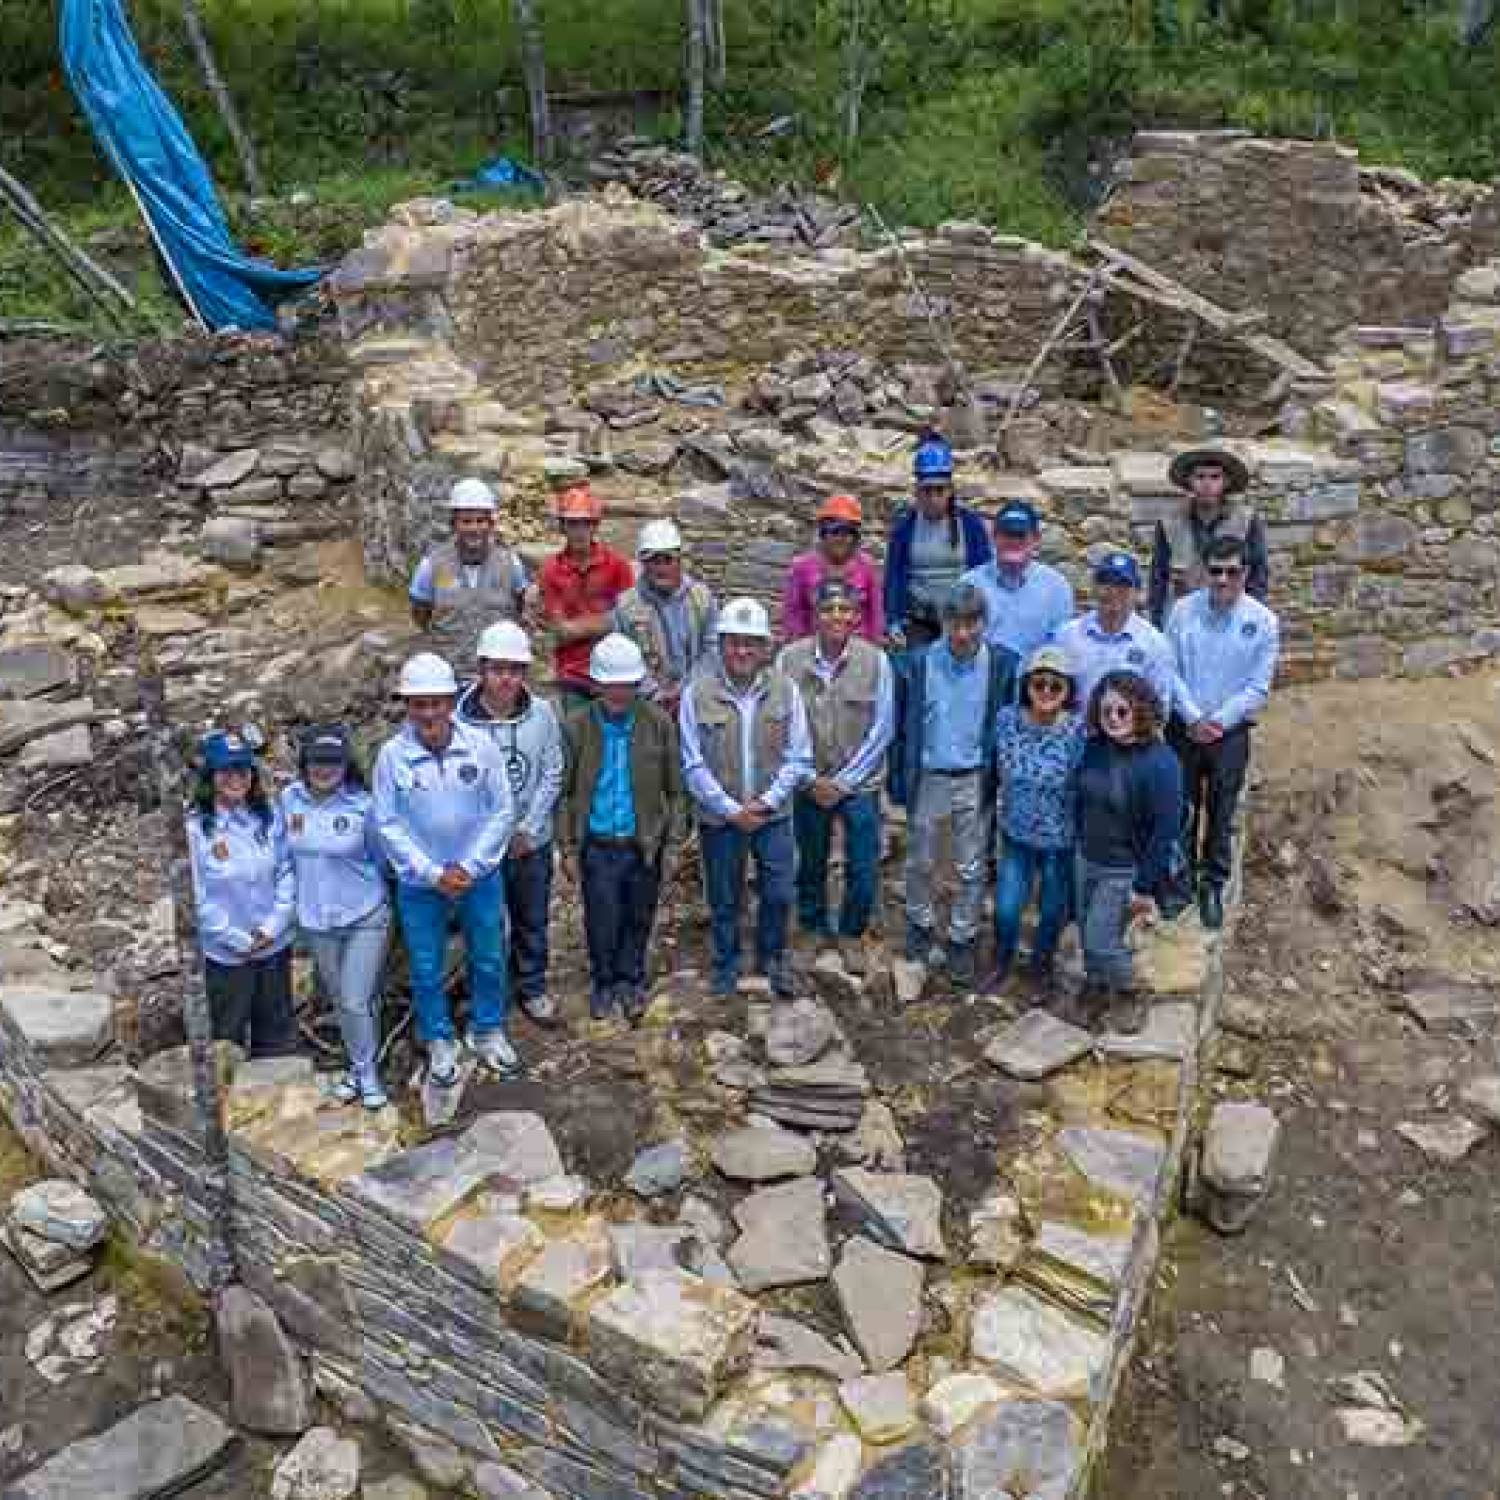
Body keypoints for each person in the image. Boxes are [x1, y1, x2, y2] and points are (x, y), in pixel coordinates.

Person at [372, 652, 520, 1085]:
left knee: (490, 955)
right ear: (407, 706)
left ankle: (487, 1029)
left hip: (480, 876)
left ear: (452, 700)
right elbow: (387, 823)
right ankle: (438, 1037)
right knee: (425, 964)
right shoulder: (391, 757)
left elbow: (502, 810)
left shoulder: (480, 747)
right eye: (419, 704)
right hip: (421, 882)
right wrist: (432, 872)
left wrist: (470, 866)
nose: (429, 712)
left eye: (437, 702)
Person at [680, 596, 814, 998]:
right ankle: (726, 964)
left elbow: (799, 755)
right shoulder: (696, 694)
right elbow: (692, 763)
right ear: (720, 644)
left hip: (772, 815)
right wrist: (730, 809)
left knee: (779, 891)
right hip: (721, 819)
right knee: (724, 897)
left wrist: (768, 801)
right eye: (733, 642)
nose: (742, 651)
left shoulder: (785, 691)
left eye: (750, 643)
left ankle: (771, 958)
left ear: (764, 648)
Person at [889, 582, 1019, 989]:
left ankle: (962, 936)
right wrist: (897, 780)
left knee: (970, 864)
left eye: (971, 623)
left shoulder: (1003, 665)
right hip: (929, 774)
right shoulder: (915, 664)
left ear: (984, 623)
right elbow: (898, 728)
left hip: (974, 777)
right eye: (955, 623)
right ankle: (920, 923)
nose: (962, 633)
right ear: (943, 623)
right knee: (920, 860)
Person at [560, 633, 684, 1023]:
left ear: (637, 684)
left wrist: (674, 840)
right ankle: (603, 981)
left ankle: (631, 980)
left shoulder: (658, 724)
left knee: (639, 914)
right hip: (597, 843)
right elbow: (563, 792)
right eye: (610, 685)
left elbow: (676, 789)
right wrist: (567, 847)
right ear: (596, 684)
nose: (618, 693)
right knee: (602, 916)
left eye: (626, 685)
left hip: (643, 842)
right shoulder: (577, 726)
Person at [778, 579, 896, 975]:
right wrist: (810, 778)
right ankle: (812, 927)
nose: (836, 617)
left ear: (857, 617)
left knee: (863, 866)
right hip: (809, 781)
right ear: (815, 614)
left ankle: (851, 931)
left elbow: (882, 728)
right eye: (829, 609)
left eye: (845, 610)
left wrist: (845, 782)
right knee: (810, 860)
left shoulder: (875, 661)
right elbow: (784, 724)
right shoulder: (789, 660)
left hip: (859, 783)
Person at [1166, 535, 1281, 930]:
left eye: (1232, 572)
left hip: (1229, 733)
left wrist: (1219, 722)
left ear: (1245, 574)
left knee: (1221, 811)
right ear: (1204, 571)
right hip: (1184, 728)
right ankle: (1178, 883)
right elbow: (1169, 672)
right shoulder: (1181, 612)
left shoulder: (1263, 622)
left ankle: (1212, 885)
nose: (1222, 580)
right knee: (1182, 809)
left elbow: (1258, 687)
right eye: (1215, 571)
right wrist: (1194, 718)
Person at [457, 620, 564, 1025]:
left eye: (515, 670)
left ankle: (532, 985)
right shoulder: (460, 721)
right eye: (498, 669)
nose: (506, 678)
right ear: (482, 669)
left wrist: (530, 827)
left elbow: (552, 770)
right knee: (483, 923)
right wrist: (487, 837)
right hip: (479, 844)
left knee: (531, 916)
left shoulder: (542, 715)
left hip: (529, 841)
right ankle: (487, 991)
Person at [281, 725, 391, 1109]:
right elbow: (282, 859)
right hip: (315, 921)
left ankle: (365, 1074)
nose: (324, 769)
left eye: (333, 762)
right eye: (316, 762)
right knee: (347, 1002)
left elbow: (382, 858)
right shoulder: (289, 800)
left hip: (364, 915)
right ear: (304, 763)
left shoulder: (363, 805)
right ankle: (362, 1061)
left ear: (346, 765)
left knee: (354, 998)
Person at [1074, 671, 1183, 1034]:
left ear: (1140, 710)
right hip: (1085, 857)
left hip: (1121, 869)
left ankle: (1131, 989)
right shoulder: (1094, 747)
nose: (1114, 719)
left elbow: (1166, 830)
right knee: (1087, 937)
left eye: (1123, 711)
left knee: (1100, 938)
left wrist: (1144, 886)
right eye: (1106, 712)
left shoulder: (1160, 762)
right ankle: (1097, 985)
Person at [187, 729, 296, 1058]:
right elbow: (195, 894)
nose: (236, 778)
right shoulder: (195, 829)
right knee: (226, 1037)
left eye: (242, 769)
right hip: (226, 953)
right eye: (226, 770)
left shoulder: (269, 816)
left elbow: (287, 872)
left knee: (276, 1034)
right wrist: (236, 939)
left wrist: (271, 928)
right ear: (211, 775)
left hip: (273, 945)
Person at [992, 647, 1086, 998]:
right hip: (1016, 834)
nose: (1045, 691)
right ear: (1026, 685)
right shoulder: (1006, 720)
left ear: (1067, 690)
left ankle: (1040, 969)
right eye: (1038, 683)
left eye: (1055, 685)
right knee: (1006, 908)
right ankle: (1001, 962)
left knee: (1051, 913)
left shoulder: (1078, 731)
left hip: (1060, 839)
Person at [884, 433, 993, 652]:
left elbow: (985, 574)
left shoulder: (970, 526)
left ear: (950, 490)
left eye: (939, 490)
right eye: (927, 490)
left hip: (961, 621)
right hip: (919, 622)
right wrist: (893, 620)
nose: (933, 498)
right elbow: (894, 576)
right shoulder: (905, 528)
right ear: (917, 490)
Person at [536, 481, 634, 709]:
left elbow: (630, 619)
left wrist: (579, 627)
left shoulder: (617, 565)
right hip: (573, 676)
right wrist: (608, 621)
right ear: (563, 527)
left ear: (595, 526)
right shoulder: (551, 570)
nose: (579, 531)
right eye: (572, 524)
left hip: (614, 672)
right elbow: (562, 632)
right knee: (577, 740)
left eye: (585, 524)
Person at [1148, 447, 1268, 627]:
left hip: (1232, 617)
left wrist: (1250, 618)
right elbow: (1158, 578)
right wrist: (1157, 623)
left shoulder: (1246, 520)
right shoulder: (1169, 523)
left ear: (1226, 481)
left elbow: (1258, 574)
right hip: (1184, 619)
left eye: (1215, 477)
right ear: (1189, 481)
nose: (1207, 484)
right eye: (1200, 477)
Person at [409, 478, 529, 657]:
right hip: (448, 673)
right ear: (453, 524)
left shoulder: (511, 565)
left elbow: (521, 606)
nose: (474, 528)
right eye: (466, 521)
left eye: (481, 521)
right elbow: (420, 613)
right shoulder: (431, 566)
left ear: (491, 524)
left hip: (497, 674)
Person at [613, 520, 718, 716]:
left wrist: (685, 690)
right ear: (643, 563)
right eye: (654, 561)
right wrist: (654, 692)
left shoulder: (702, 598)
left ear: (679, 560)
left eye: (667, 559)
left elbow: (712, 650)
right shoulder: (626, 606)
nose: (661, 567)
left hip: (697, 702)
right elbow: (622, 655)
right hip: (646, 706)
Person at [1055, 552, 1179, 714]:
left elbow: (1160, 706)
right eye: (1105, 582)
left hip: (1127, 737)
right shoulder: (1066, 636)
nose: (1113, 591)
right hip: (1074, 736)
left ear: (1138, 592)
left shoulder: (1155, 644)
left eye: (1123, 585)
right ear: (1093, 587)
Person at [959, 499, 1075, 663]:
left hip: (1034, 683)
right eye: (1007, 534)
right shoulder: (969, 584)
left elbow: (1060, 650)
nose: (1013, 542)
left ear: (1035, 539)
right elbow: (956, 643)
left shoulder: (1057, 588)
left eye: (1020, 535)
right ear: (994, 537)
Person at [781, 495, 884, 643]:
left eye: (848, 532)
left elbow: (876, 616)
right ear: (824, 533)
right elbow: (793, 615)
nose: (841, 538)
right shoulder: (802, 568)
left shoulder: (867, 568)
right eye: (835, 532)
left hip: (858, 650)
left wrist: (874, 649)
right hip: (813, 649)